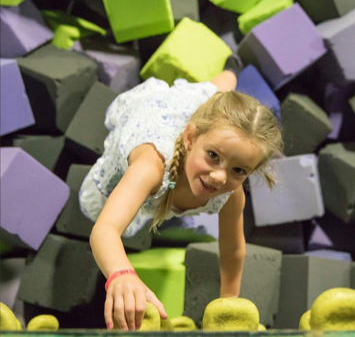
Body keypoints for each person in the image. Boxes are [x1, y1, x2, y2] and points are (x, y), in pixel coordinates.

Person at [79, 63, 283, 331]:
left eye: (238, 170)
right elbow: (104, 229)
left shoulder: (231, 194)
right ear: (189, 138)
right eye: (213, 156)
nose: (220, 176)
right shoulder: (151, 167)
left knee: (215, 93)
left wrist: (229, 302)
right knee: (211, 90)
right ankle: (232, 66)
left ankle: (231, 69)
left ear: (251, 171)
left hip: (198, 121)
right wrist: (121, 274)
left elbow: (233, 250)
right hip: (154, 113)